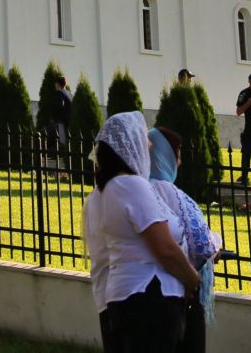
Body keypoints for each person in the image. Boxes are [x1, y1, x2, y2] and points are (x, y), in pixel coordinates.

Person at [83, 111, 200, 353]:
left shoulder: (107, 190)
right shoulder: (131, 185)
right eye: (143, 139)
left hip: (127, 295)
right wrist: (192, 280)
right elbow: (165, 248)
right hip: (149, 295)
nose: (148, 146)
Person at [149, 126, 220, 353]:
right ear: (166, 156)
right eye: (177, 155)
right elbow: (202, 245)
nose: (179, 163)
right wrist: (217, 244)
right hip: (178, 293)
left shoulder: (138, 187)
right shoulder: (168, 191)